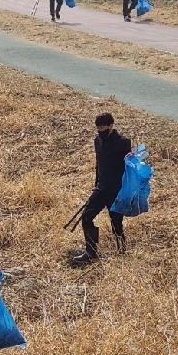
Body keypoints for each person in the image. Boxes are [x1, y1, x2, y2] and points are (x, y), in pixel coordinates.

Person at [72, 113, 132, 265]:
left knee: (116, 222)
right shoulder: (97, 141)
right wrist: (96, 183)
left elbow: (129, 168)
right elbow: (98, 165)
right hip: (101, 188)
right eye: (98, 128)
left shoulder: (123, 143)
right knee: (86, 217)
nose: (100, 131)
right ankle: (91, 252)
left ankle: (122, 251)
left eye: (103, 127)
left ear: (111, 126)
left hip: (116, 190)